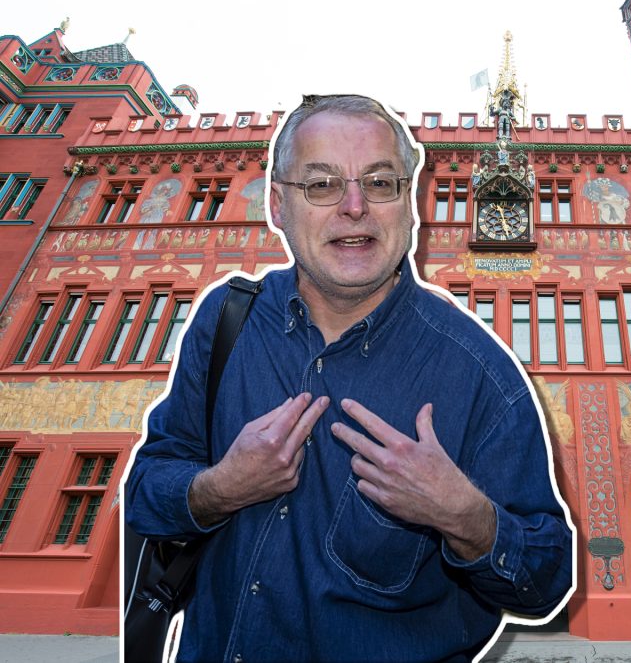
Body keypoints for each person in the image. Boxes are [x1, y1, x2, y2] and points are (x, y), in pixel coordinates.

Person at [125, 94, 573, 663]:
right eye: (321, 185)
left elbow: (547, 580)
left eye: (380, 183)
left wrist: (467, 518)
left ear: (409, 205)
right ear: (278, 206)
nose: (355, 206)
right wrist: (219, 489)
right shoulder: (225, 324)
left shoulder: (479, 374)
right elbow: (145, 490)